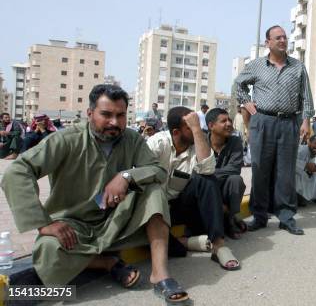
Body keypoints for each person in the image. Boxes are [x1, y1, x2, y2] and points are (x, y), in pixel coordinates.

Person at [1, 85, 190, 303]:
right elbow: (17, 171)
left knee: (153, 192)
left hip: (116, 221)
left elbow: (157, 170)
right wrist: (43, 223)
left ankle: (160, 275)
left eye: (120, 115)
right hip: (74, 226)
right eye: (106, 114)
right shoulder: (66, 140)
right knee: (48, 250)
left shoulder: (132, 139)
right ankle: (107, 264)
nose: (114, 122)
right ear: (90, 113)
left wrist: (126, 176)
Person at [234, 25, 314, 236]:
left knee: (285, 172)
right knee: (260, 169)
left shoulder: (298, 67)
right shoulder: (256, 66)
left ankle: (286, 217)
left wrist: (306, 121)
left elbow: (306, 97)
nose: (282, 40)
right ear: (267, 42)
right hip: (262, 122)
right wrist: (247, 104)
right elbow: (238, 84)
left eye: (285, 37)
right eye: (277, 38)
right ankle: (259, 216)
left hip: (289, 123)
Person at [146, 106, 240, 270]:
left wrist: (196, 130)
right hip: (155, 210)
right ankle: (184, 242)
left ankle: (218, 245)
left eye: (197, 124)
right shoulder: (157, 143)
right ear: (176, 132)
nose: (198, 129)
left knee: (206, 180)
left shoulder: (197, 144)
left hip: (179, 206)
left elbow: (208, 170)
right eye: (190, 126)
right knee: (165, 246)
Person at [206, 107, 248, 239]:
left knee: (236, 180)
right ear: (211, 126)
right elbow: (196, 173)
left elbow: (234, 169)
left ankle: (229, 220)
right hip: (207, 190)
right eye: (223, 121)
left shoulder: (235, 142)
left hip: (224, 189)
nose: (229, 124)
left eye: (229, 120)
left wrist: (209, 173)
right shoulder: (201, 143)